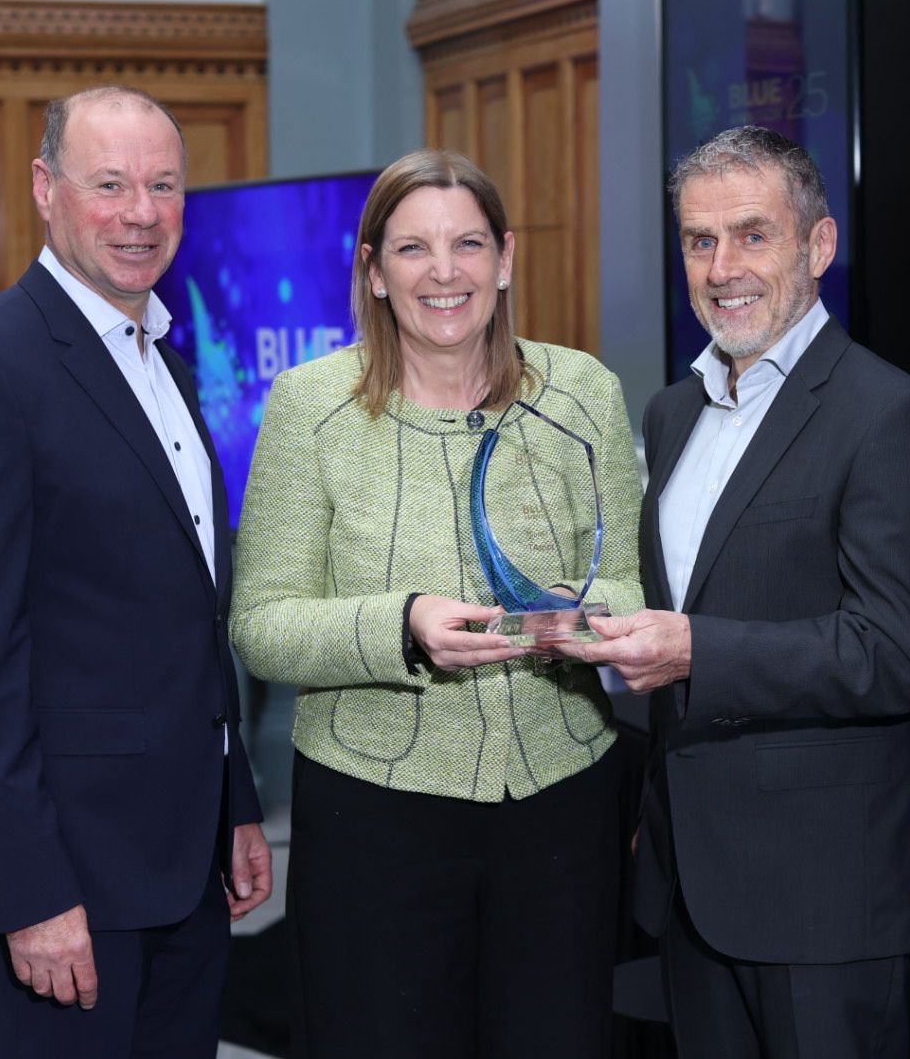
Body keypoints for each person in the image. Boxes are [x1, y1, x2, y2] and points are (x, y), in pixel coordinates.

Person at [228, 149, 644, 1059]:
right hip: (375, 815)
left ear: (505, 258)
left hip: (562, 805)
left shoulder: (584, 393)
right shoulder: (311, 408)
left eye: (467, 244)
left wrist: (578, 612)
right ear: (374, 271)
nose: (443, 272)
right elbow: (261, 622)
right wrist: (403, 625)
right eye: (413, 248)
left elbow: (628, 584)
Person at [0, 85, 272, 1058]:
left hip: (184, 863)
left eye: (163, 185)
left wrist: (233, 805)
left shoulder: (165, 364)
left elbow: (186, 616)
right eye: (109, 184)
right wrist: (27, 891)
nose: (140, 213)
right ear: (44, 187)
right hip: (65, 881)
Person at [562, 126, 910, 1057]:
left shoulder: (883, 411)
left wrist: (694, 650)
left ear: (819, 245)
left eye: (752, 234)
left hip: (824, 898)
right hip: (689, 883)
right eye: (700, 240)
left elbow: (890, 654)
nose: (722, 268)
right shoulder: (672, 411)